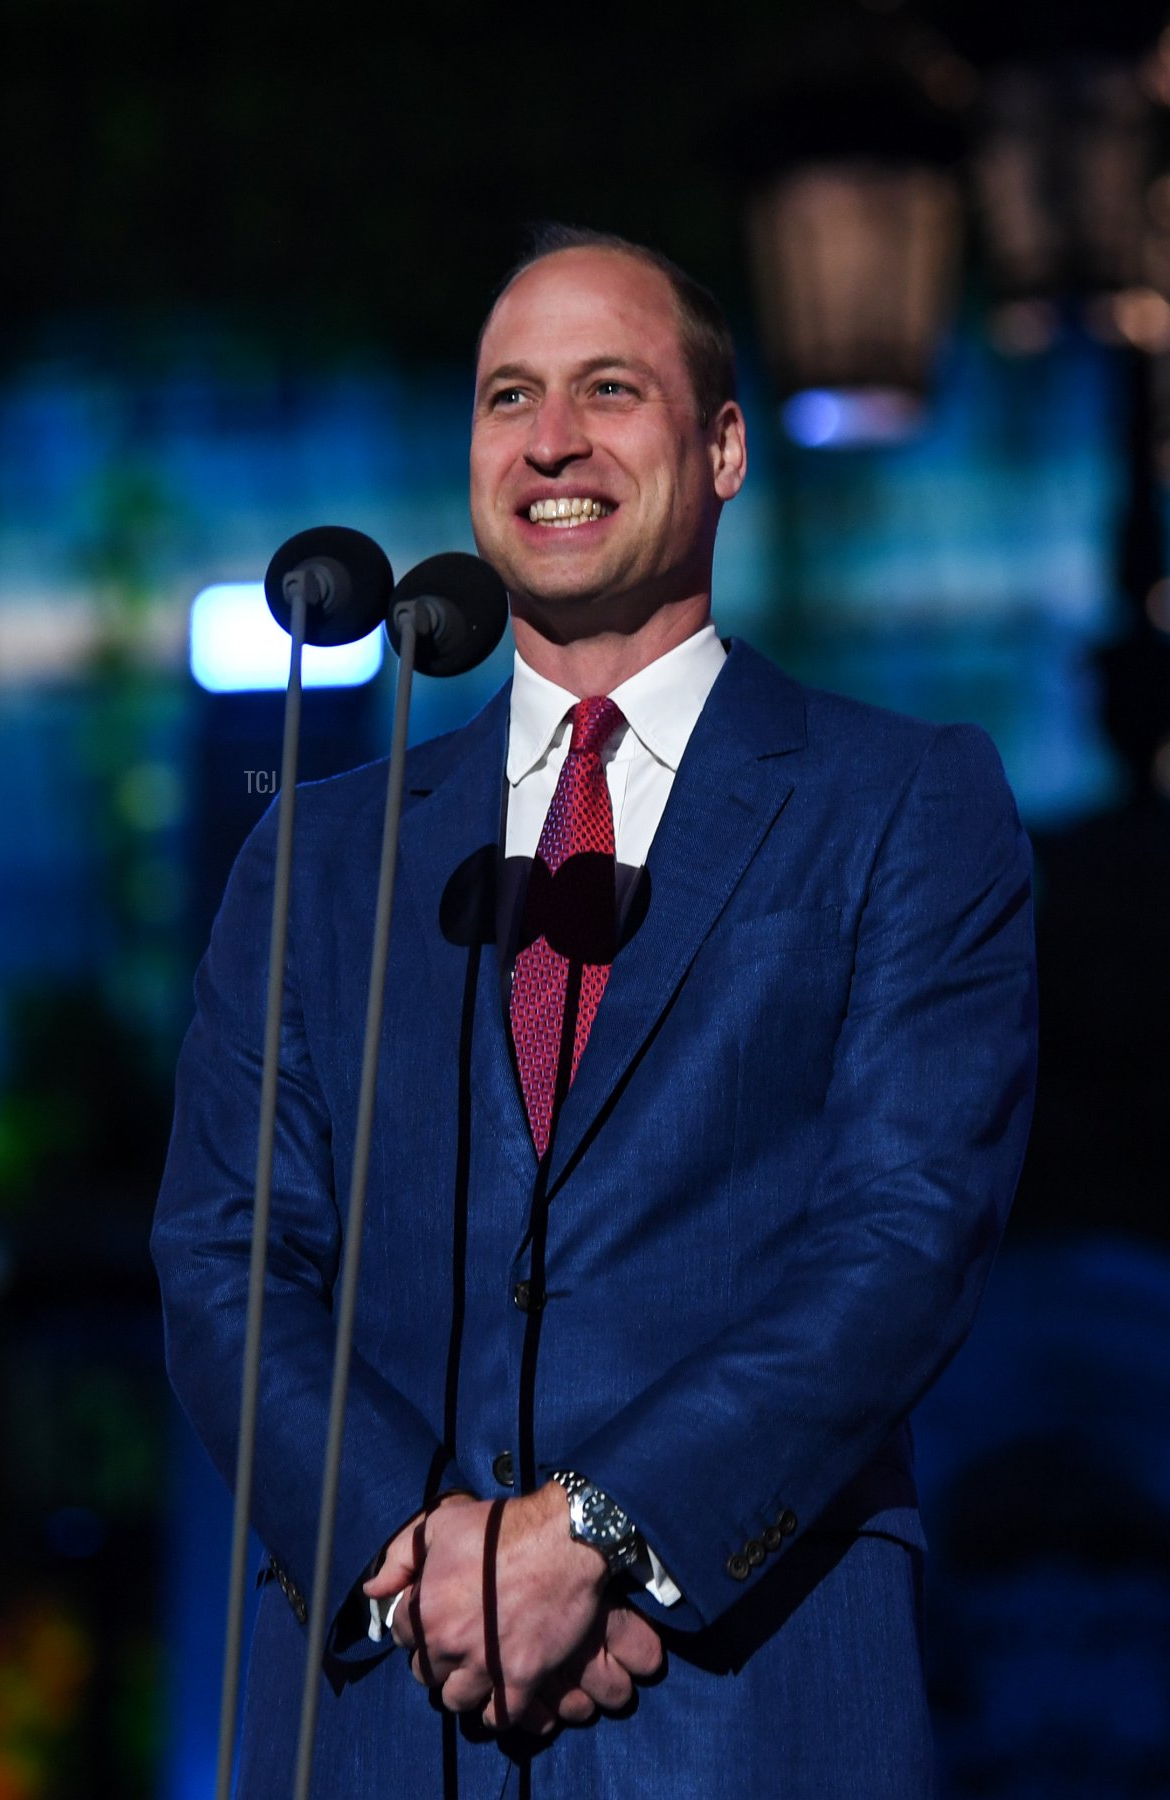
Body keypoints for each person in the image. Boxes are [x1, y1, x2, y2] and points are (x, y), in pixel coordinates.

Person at [152, 226, 1038, 1799]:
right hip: (386, 1701)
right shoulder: (322, 852)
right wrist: (422, 1556)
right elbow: (229, 1254)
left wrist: (601, 1534)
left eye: (607, 389)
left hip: (750, 1696)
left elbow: (904, 1235)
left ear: (723, 447)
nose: (550, 440)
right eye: (509, 397)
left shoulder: (905, 804)